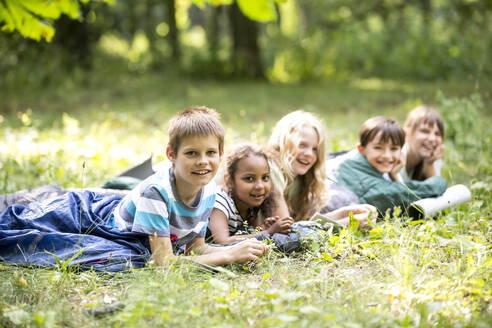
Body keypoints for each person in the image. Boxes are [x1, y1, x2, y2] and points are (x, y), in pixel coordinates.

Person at [0, 107, 268, 270]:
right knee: (22, 224)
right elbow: (163, 264)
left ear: (221, 154)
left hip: (142, 237)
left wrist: (243, 248)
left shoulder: (209, 192)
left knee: (129, 260)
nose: (202, 161)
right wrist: (230, 256)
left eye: (211, 152)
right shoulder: (158, 193)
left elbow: (196, 250)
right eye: (191, 153)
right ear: (171, 155)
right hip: (100, 220)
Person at [266, 110, 377, 228]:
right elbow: (287, 233)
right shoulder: (272, 172)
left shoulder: (300, 178)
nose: (309, 153)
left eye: (315, 149)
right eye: (302, 145)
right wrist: (346, 223)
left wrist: (344, 213)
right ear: (283, 143)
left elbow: (300, 224)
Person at [326, 116, 447, 214]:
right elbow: (405, 195)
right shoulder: (365, 178)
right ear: (361, 148)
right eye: (378, 148)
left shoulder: (357, 160)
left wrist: (394, 175)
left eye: (394, 149)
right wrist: (439, 181)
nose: (387, 156)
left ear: (401, 150)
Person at [208, 143, 294, 244]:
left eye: (265, 178)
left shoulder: (250, 204)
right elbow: (222, 241)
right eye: (249, 178)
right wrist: (268, 232)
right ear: (229, 180)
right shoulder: (220, 202)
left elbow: (249, 235)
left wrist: (263, 228)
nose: (260, 186)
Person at [400, 106, 445, 181]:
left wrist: (429, 164)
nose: (432, 138)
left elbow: (436, 190)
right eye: (425, 131)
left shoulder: (433, 157)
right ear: (406, 133)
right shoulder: (396, 157)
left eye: (437, 134)